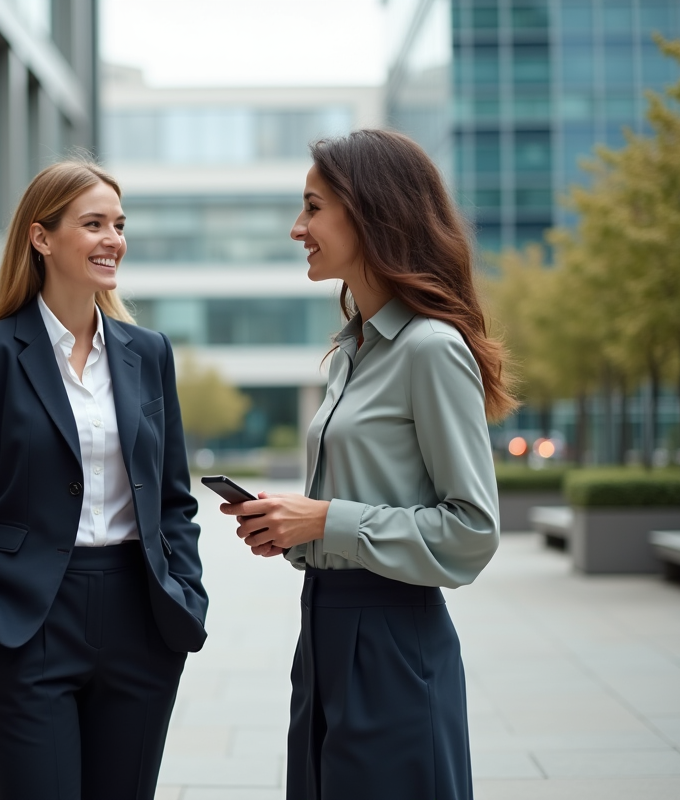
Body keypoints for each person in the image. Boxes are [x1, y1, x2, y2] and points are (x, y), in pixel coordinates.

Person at [220, 129, 514, 800]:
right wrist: (291, 528)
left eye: (313, 207)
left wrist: (325, 519)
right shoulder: (352, 353)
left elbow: (472, 531)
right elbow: (355, 507)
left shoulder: (431, 349)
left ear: (371, 211)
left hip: (393, 644)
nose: (298, 228)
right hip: (322, 636)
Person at [0, 160, 208, 800]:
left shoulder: (149, 353)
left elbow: (173, 498)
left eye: (119, 225)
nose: (113, 239)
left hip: (140, 620)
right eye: (93, 224)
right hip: (26, 624)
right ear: (42, 237)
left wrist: (185, 593)